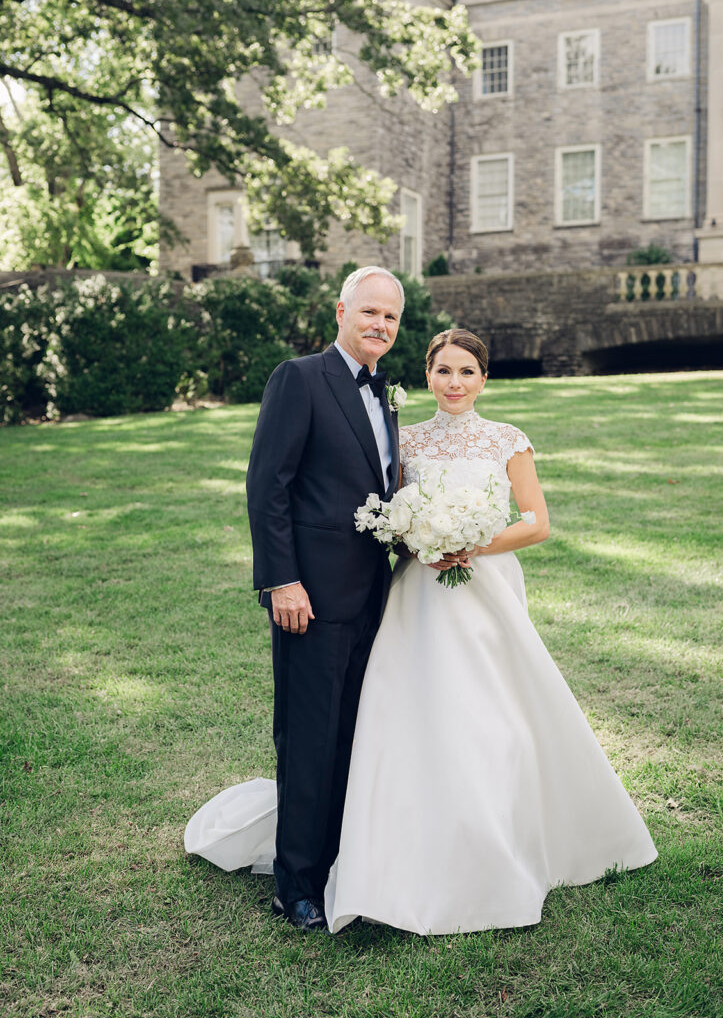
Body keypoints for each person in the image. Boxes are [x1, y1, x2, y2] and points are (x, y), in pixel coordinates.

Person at [185, 327, 658, 936]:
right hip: (413, 591)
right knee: (403, 711)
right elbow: (381, 510)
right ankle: (379, 844)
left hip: (483, 592)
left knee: (494, 718)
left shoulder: (506, 439)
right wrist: (419, 538)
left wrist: (469, 542)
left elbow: (536, 522)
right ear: (428, 376)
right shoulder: (401, 438)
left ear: (484, 378)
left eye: (467, 372)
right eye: (443, 372)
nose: (455, 383)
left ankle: (498, 838)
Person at [244, 265, 403, 931]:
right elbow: (268, 485)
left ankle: (341, 861)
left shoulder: (389, 398)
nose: (379, 326)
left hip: (374, 597)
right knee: (309, 738)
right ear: (341, 310)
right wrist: (283, 579)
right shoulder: (299, 378)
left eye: (391, 318)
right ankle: (296, 884)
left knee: (353, 736)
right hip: (307, 597)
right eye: (369, 312)